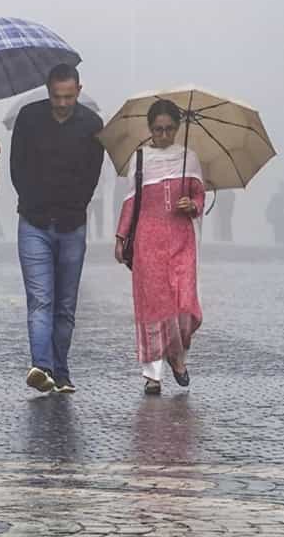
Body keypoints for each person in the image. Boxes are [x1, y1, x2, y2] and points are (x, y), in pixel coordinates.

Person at [10, 63, 105, 395]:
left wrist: (73, 203)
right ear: (48, 92)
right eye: (56, 97)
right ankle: (42, 366)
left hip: (71, 225)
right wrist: (33, 198)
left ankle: (61, 371)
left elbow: (93, 176)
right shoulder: (29, 118)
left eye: (68, 96)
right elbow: (17, 168)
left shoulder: (93, 126)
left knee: (65, 303)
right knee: (40, 299)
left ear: (78, 91)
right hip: (34, 222)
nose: (62, 103)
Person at [114, 99, 205, 396]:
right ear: (150, 129)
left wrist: (191, 204)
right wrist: (120, 237)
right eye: (157, 130)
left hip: (182, 240)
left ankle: (178, 356)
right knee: (153, 306)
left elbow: (199, 196)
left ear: (178, 128)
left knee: (183, 304)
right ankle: (152, 375)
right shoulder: (139, 158)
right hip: (148, 242)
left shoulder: (189, 158)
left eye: (168, 129)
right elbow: (130, 202)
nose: (163, 136)